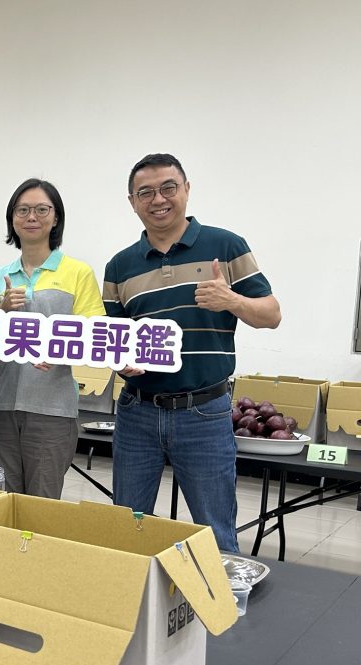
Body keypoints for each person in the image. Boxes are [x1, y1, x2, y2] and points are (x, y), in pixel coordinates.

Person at [103, 153, 281, 552]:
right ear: (132, 202)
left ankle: (219, 595)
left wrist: (231, 300)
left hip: (204, 412)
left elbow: (271, 315)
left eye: (168, 187)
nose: (158, 199)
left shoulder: (226, 246)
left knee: (216, 535)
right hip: (137, 413)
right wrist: (120, 363)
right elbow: (115, 338)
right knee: (126, 531)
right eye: (145, 192)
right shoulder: (119, 267)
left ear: (186, 189)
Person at [0, 179, 106, 498]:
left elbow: (95, 333)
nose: (31, 217)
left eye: (41, 209)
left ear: (55, 217)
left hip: (53, 407)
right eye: (22, 210)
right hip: (0, 405)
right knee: (3, 501)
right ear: (12, 218)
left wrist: (60, 349)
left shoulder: (77, 272)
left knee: (42, 503)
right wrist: (1, 311)